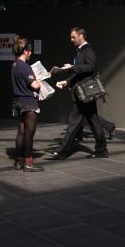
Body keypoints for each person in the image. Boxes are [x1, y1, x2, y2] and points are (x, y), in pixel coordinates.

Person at [47, 27, 108, 159]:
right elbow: (79, 73)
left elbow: (90, 67)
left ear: (81, 36)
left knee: (73, 122)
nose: (71, 40)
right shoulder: (81, 51)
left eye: (73, 37)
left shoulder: (87, 50)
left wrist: (72, 67)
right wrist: (67, 81)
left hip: (83, 94)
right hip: (84, 93)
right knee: (94, 121)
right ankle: (101, 150)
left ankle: (62, 152)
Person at [11, 36, 44, 172]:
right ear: (25, 51)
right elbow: (35, 85)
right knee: (29, 133)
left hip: (17, 102)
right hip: (28, 102)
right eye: (29, 51)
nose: (30, 53)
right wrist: (40, 82)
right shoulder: (25, 67)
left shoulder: (14, 65)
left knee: (21, 132)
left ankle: (19, 161)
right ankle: (29, 163)